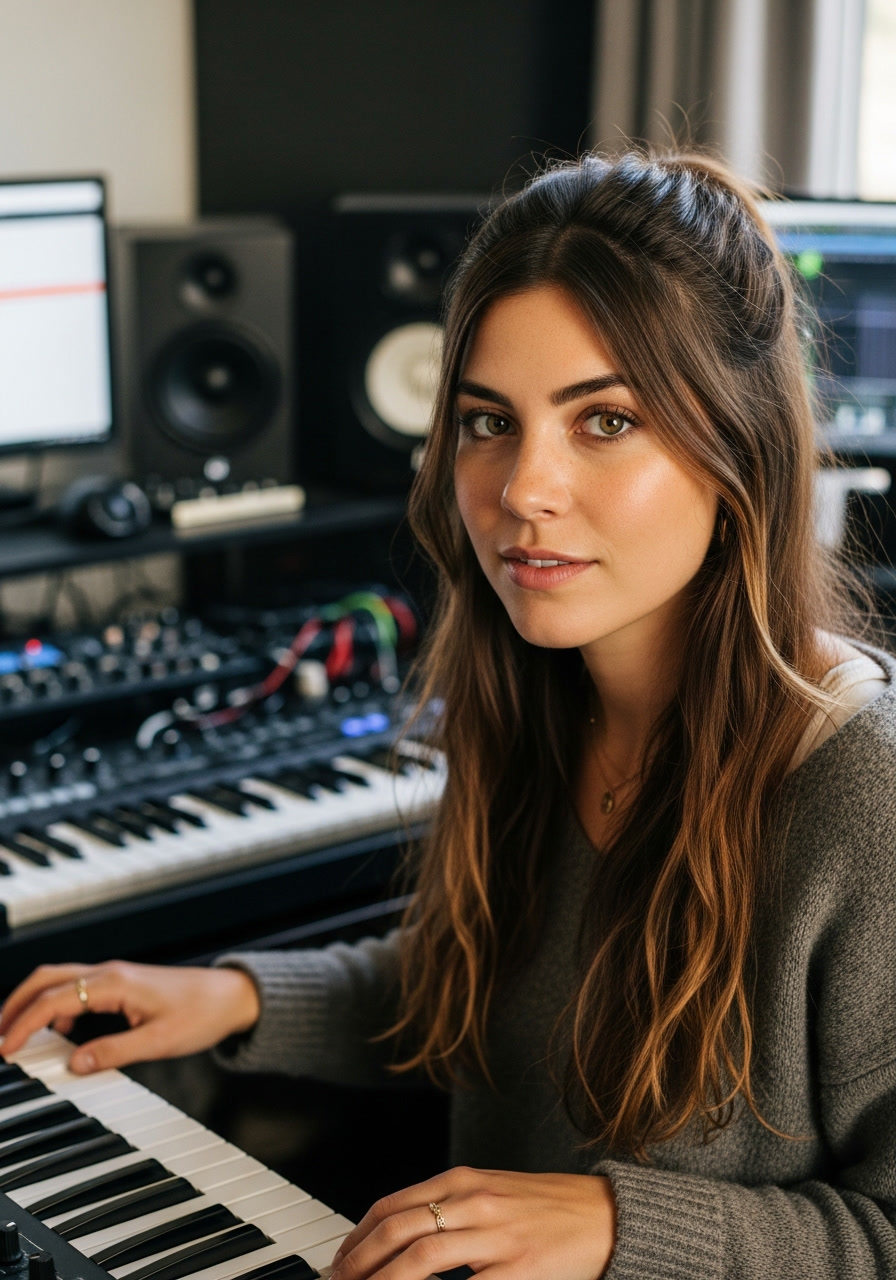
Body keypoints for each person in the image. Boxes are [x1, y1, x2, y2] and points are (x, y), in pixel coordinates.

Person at [2, 148, 895, 1280]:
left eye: (604, 420)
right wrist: (234, 995)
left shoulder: (863, 791)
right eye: (487, 421)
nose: (522, 487)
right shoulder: (536, 693)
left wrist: (618, 1222)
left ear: (736, 447)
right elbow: (483, 993)